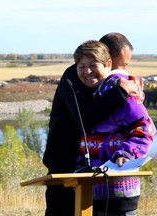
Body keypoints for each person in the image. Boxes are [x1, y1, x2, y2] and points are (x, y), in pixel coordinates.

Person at [42, 33, 139, 216]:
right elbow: (85, 118)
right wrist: (120, 92)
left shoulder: (108, 83)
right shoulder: (73, 78)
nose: (123, 70)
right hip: (65, 165)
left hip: (98, 171)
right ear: (105, 57)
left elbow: (139, 126)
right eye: (123, 64)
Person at [74, 40, 156, 216]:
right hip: (89, 192)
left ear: (108, 64)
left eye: (93, 65)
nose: (87, 71)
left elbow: (145, 127)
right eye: (82, 66)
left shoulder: (122, 92)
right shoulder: (87, 94)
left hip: (118, 190)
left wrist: (127, 153)